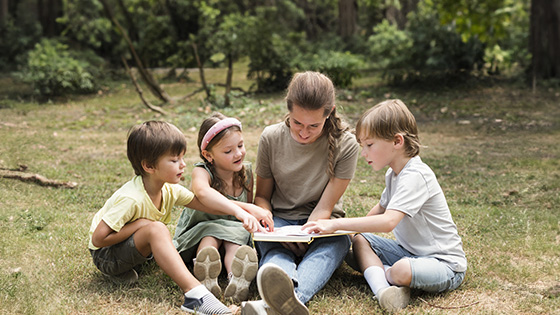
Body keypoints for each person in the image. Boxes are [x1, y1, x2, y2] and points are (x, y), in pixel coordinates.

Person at [303, 99, 467, 312]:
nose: (364, 153)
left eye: (369, 145)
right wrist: (349, 234)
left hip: (445, 265)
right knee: (360, 243)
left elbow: (388, 221)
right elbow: (380, 209)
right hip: (409, 252)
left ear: (397, 141)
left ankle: (383, 275)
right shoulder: (394, 173)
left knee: (401, 270)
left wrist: (335, 225)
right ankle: (384, 291)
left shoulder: (416, 175)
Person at [88, 120, 263, 315]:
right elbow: (98, 239)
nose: (183, 164)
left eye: (182, 157)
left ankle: (122, 272)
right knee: (157, 229)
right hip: (106, 255)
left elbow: (206, 204)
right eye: (174, 160)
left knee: (155, 229)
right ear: (149, 166)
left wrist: (247, 209)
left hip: (132, 253)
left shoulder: (170, 190)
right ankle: (195, 295)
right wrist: (143, 224)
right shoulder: (131, 198)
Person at [241, 71, 360, 315]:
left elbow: (325, 207)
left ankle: (287, 299)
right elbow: (262, 197)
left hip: (322, 224)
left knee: (337, 243)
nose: (304, 133)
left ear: (329, 113)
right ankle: (285, 298)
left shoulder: (346, 144)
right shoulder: (271, 137)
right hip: (280, 222)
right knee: (273, 250)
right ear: (289, 111)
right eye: (297, 123)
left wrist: (307, 234)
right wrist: (271, 225)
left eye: (314, 126)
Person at [173, 113, 273, 302]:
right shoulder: (202, 172)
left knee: (235, 237)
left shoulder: (247, 174)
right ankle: (205, 272)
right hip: (199, 232)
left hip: (231, 234)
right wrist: (243, 209)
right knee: (211, 235)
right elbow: (203, 193)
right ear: (208, 155)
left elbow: (247, 211)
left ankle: (236, 279)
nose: (238, 154)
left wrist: (256, 213)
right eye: (228, 151)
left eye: (240, 146)